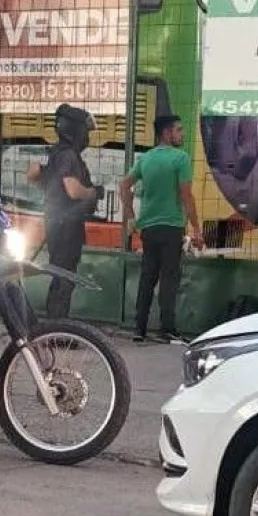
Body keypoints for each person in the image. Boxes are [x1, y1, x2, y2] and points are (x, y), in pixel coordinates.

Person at [119, 115, 203, 343]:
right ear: (167, 133)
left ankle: (139, 328)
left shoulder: (145, 159)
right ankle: (167, 328)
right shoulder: (180, 159)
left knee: (148, 276)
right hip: (172, 226)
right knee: (169, 278)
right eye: (179, 130)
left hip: (148, 227)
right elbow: (187, 196)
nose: (182, 134)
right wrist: (197, 229)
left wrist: (130, 215)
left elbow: (124, 184)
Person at [26, 104, 104, 319]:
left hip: (57, 220)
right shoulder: (68, 155)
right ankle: (57, 326)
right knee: (64, 275)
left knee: (60, 273)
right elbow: (72, 190)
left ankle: (56, 323)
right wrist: (93, 192)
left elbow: (40, 180)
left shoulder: (57, 152)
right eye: (85, 131)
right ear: (76, 130)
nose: (87, 136)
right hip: (67, 224)